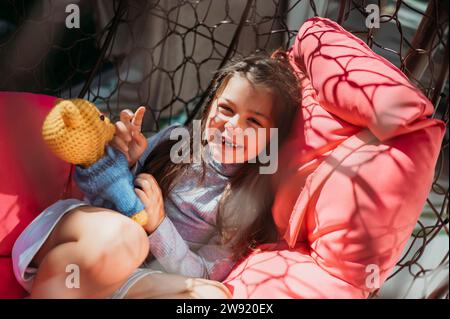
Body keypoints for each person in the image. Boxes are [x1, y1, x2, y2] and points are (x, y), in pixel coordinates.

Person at [12, 50, 300, 298]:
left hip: (126, 277)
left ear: (274, 138)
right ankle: (53, 284)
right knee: (129, 236)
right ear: (211, 104)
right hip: (73, 242)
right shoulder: (176, 140)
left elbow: (203, 273)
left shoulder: (247, 201)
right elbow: (106, 193)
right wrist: (126, 161)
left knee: (213, 294)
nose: (232, 126)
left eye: (254, 121)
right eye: (226, 109)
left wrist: (158, 225)